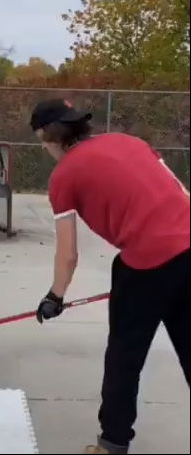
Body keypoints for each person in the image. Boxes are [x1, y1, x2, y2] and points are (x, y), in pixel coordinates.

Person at [30, 99, 190, 455]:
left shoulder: (64, 176)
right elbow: (182, 194)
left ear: (49, 138)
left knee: (124, 356)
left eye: (42, 142)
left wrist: (55, 297)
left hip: (146, 263)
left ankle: (113, 443)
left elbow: (68, 255)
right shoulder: (130, 142)